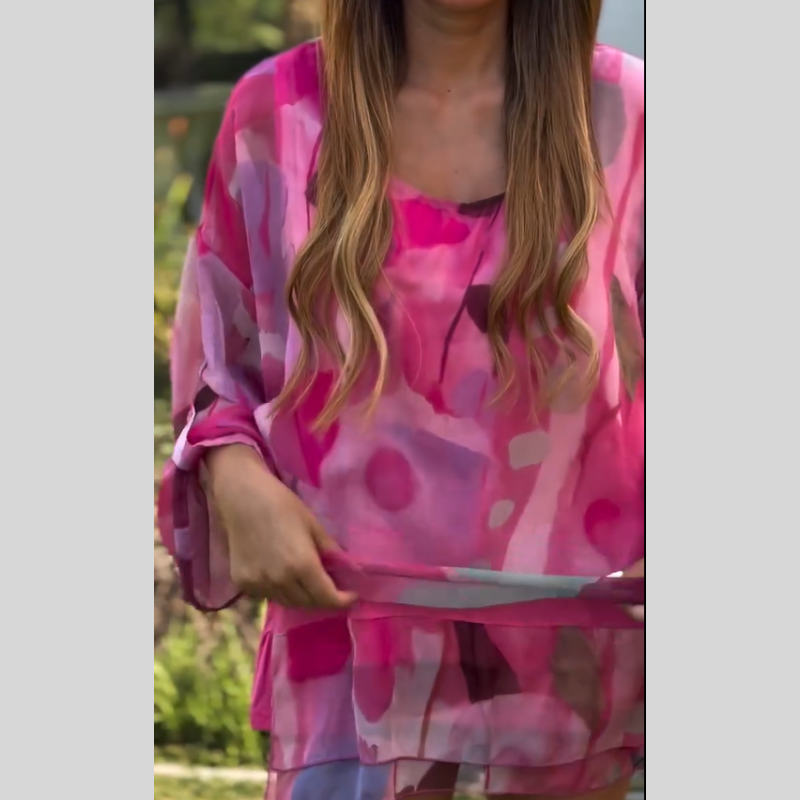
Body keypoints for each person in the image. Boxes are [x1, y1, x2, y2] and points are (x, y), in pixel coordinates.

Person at [158, 1, 644, 798]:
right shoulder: (274, 114)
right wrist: (232, 475)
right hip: (344, 670)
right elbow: (218, 365)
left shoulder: (632, 118)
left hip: (571, 695)